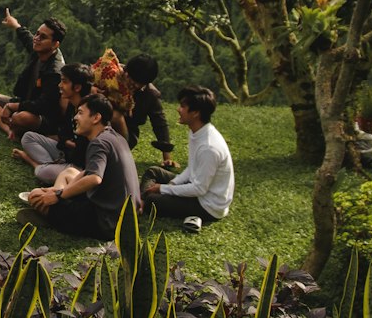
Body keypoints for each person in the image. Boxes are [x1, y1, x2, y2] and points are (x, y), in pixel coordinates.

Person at [21, 93, 141, 238]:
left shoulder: (99, 143)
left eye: (80, 113)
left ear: (96, 118)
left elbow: (94, 179)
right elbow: (86, 173)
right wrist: (54, 191)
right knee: (68, 172)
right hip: (124, 217)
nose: (75, 118)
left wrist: (59, 195)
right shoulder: (114, 137)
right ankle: (55, 208)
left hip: (106, 223)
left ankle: (52, 216)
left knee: (35, 195)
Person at [141, 85, 234, 233]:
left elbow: (199, 189)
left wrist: (163, 189)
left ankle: (144, 201)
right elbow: (191, 168)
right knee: (153, 172)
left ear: (196, 113)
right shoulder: (196, 132)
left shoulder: (209, 147)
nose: (178, 109)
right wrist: (172, 183)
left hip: (208, 205)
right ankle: (143, 201)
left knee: (153, 201)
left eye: (183, 106)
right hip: (197, 189)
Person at [0, 8, 65, 140]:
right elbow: (27, 38)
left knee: (21, 117)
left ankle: (20, 129)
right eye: (37, 34)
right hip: (26, 101)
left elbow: (44, 105)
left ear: (55, 44)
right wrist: (15, 25)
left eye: (43, 37)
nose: (36, 39)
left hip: (44, 116)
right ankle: (10, 131)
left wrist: (13, 106)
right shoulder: (40, 50)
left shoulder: (55, 72)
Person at [14, 62, 93, 184]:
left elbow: (85, 150)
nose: (60, 85)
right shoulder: (71, 105)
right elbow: (63, 132)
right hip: (66, 154)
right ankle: (50, 165)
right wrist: (65, 141)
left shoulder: (89, 112)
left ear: (77, 87)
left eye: (64, 82)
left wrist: (70, 144)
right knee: (28, 137)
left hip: (78, 166)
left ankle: (33, 162)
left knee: (41, 173)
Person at [123, 53, 176, 167]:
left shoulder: (150, 95)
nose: (135, 85)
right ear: (126, 71)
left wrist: (167, 157)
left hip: (126, 132)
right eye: (132, 80)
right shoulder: (110, 73)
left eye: (140, 83)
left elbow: (159, 123)